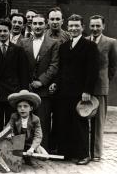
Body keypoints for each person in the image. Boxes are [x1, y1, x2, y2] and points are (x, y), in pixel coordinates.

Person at [50, 14, 99, 165]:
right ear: (68, 27)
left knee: (80, 124)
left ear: (82, 28)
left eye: (76, 26)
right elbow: (61, 69)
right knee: (64, 121)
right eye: (71, 26)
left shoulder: (90, 46)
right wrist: (55, 83)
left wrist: (87, 91)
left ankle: (84, 154)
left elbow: (93, 71)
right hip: (64, 92)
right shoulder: (64, 46)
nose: (73, 29)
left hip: (80, 93)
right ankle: (66, 152)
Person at [0, 18, 29, 133]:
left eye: (5, 31)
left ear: (10, 31)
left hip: (13, 93)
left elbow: (24, 73)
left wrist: (23, 92)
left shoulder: (18, 50)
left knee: (12, 123)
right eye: (0, 31)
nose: (2, 34)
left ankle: (12, 149)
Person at [19, 14, 59, 150]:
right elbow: (20, 65)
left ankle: (42, 151)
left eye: (40, 23)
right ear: (31, 25)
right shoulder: (23, 42)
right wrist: (28, 82)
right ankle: (24, 150)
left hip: (43, 90)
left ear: (46, 25)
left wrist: (41, 81)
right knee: (24, 121)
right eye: (35, 23)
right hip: (27, 89)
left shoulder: (53, 43)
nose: (37, 26)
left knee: (43, 121)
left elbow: (54, 65)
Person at [87, 15, 117, 161]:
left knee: (98, 122)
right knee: (84, 119)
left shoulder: (111, 43)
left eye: (98, 26)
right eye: (92, 26)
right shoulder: (85, 41)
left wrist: (105, 80)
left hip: (100, 87)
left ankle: (96, 153)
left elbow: (113, 67)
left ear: (103, 26)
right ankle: (85, 150)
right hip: (85, 87)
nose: (95, 29)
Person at [7, 90, 48, 165]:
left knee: (44, 156)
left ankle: (27, 156)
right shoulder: (14, 116)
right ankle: (19, 156)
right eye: (19, 106)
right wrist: (9, 134)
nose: (22, 109)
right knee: (10, 157)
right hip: (17, 142)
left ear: (31, 108)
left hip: (30, 143)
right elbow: (8, 128)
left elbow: (38, 136)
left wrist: (32, 148)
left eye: (25, 106)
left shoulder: (35, 119)